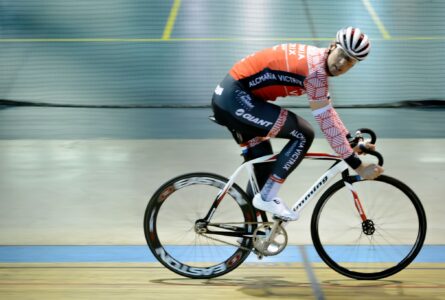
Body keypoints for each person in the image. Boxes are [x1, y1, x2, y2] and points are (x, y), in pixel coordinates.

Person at [211, 27, 384, 220]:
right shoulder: (315, 74)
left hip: (233, 97)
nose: (342, 63)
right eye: (342, 54)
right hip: (235, 98)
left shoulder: (317, 64)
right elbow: (326, 123)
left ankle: (251, 232)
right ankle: (267, 198)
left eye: (350, 61)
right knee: (303, 134)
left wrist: (349, 139)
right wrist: (357, 165)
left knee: (263, 164)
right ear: (333, 46)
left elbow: (328, 110)